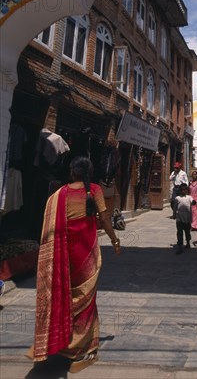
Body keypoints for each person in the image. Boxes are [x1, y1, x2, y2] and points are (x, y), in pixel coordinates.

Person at [27, 156, 121, 373]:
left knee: (64, 295)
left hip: (63, 253)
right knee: (86, 299)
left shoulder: (59, 195)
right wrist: (115, 241)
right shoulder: (94, 190)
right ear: (88, 172)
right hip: (85, 252)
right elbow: (105, 218)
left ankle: (61, 339)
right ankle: (77, 349)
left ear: (72, 172)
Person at [173, 183, 196, 254]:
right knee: (179, 232)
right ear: (180, 190)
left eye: (185, 190)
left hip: (187, 218)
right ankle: (180, 246)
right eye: (182, 190)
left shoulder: (189, 197)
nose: (183, 191)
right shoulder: (177, 198)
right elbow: (175, 207)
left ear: (187, 190)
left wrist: (194, 202)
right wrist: (174, 214)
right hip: (179, 218)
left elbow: (193, 202)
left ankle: (188, 242)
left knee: (187, 232)